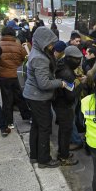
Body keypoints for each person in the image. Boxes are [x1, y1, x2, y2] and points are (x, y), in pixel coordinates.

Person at [23, 26, 66, 168]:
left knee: (36, 125)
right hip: (38, 97)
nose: (52, 45)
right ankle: (44, 159)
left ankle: (35, 156)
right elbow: (44, 84)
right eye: (50, 42)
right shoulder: (39, 58)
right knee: (44, 128)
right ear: (42, 42)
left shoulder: (39, 51)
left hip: (34, 96)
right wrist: (60, 83)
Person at [53, 45, 83, 166]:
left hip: (59, 103)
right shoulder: (67, 73)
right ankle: (64, 157)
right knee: (66, 131)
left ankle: (62, 152)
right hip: (64, 105)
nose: (79, 63)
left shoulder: (61, 65)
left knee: (63, 130)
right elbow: (70, 96)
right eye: (77, 60)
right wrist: (81, 85)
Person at [0, 26, 31, 129]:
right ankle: (27, 116)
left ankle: (9, 122)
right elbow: (25, 59)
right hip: (16, 76)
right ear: (13, 34)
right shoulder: (18, 46)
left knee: (7, 100)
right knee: (20, 97)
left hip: (4, 77)